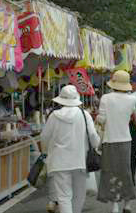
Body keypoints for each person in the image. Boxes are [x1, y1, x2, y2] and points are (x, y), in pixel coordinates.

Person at [41, 85, 100, 213]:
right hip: (80, 161)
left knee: (63, 197)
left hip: (59, 162)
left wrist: (47, 150)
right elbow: (93, 137)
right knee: (79, 195)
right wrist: (95, 146)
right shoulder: (84, 115)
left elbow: (44, 138)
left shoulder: (54, 116)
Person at [96, 71, 136, 213]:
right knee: (125, 171)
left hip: (109, 140)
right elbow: (132, 113)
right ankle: (127, 204)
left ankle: (115, 205)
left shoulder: (105, 98)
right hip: (125, 140)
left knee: (110, 172)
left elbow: (102, 119)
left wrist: (96, 117)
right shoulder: (132, 99)